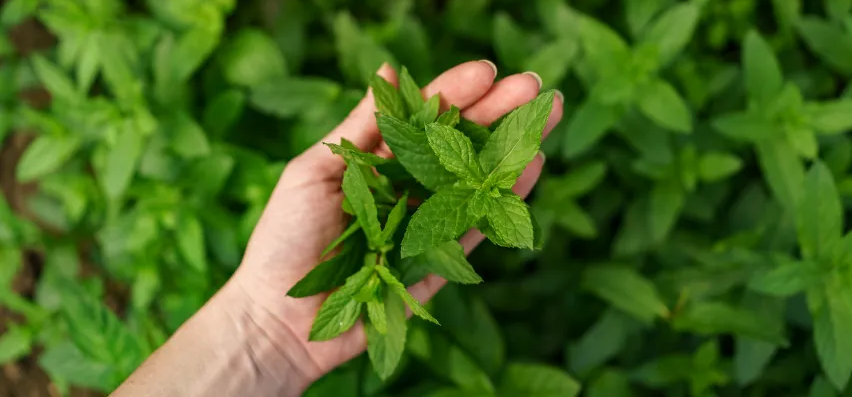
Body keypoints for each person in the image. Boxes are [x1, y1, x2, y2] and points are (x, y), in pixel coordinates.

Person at [112, 61, 564, 396]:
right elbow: (422, 223)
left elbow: (430, 217)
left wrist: (257, 329)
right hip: (419, 209)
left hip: (453, 187)